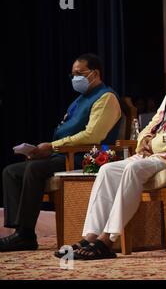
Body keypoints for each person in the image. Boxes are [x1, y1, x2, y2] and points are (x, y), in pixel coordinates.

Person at [59, 36, 166, 260]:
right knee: (107, 170)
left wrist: (157, 141)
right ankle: (90, 236)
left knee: (132, 170)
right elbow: (155, 121)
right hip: (159, 156)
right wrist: (145, 138)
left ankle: (107, 241)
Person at [1, 53, 122, 252]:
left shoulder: (106, 98)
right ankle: (21, 232)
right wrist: (43, 150)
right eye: (73, 74)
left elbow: (93, 135)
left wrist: (52, 147)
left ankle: (25, 234)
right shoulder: (79, 100)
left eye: (79, 73)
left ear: (95, 73)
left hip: (86, 156)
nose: (75, 78)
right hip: (64, 154)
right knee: (11, 172)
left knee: (34, 169)